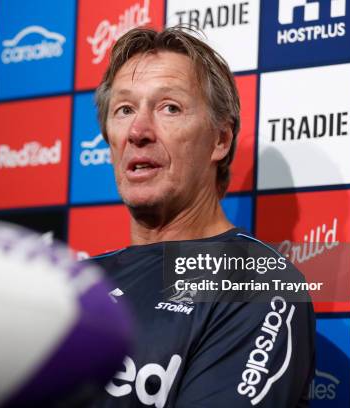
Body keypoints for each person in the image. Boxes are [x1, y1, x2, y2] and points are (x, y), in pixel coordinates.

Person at [89, 27, 315, 407]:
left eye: (169, 108)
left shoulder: (253, 283)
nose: (138, 131)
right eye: (124, 110)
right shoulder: (73, 282)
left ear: (220, 140)